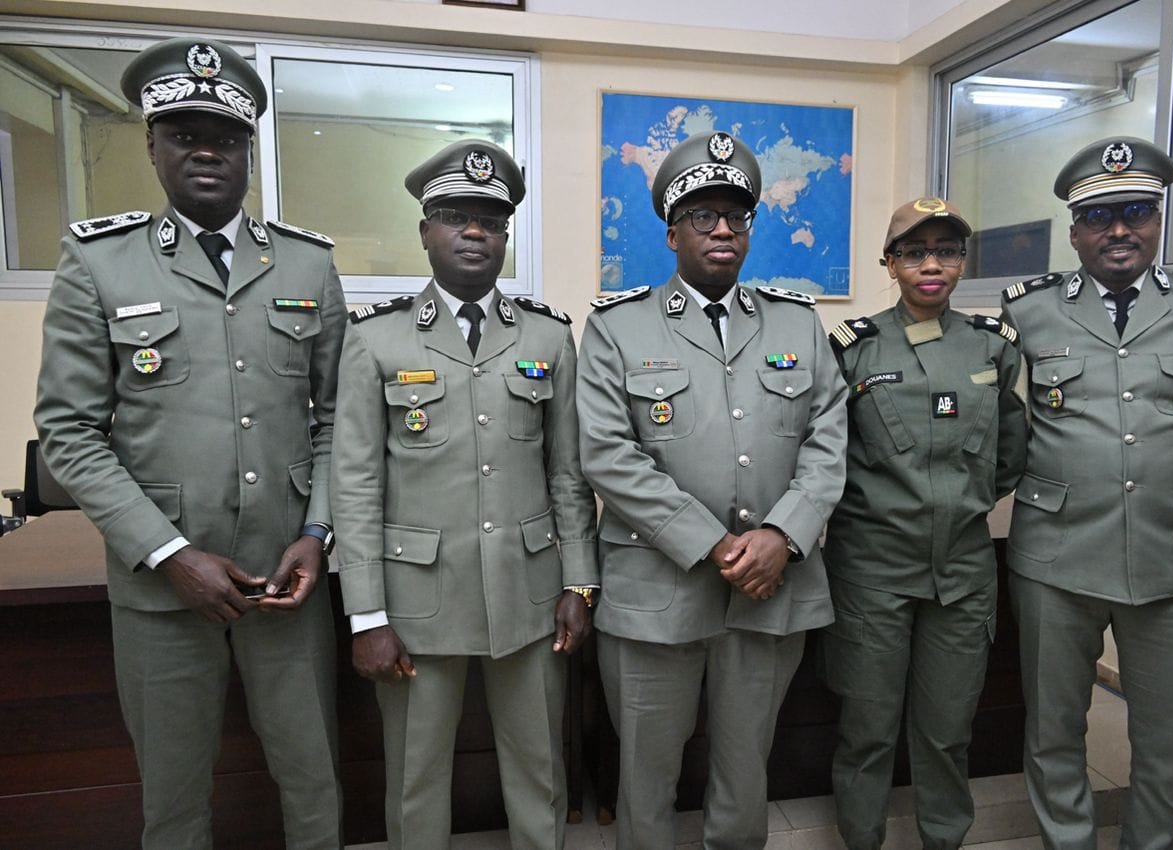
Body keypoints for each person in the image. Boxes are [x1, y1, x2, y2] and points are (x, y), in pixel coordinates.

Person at [34, 37, 346, 848]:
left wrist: (317, 534)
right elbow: (68, 433)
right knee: (172, 802)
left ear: (248, 147)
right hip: (161, 595)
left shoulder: (307, 266)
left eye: (225, 135)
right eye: (183, 132)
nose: (206, 149)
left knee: (312, 784)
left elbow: (339, 420)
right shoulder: (99, 263)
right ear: (151, 142)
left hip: (287, 585)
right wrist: (170, 554)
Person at [575, 130, 849, 850]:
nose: (723, 228)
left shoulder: (798, 323)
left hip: (772, 589)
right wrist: (714, 544)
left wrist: (783, 536)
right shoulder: (615, 327)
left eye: (737, 214)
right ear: (671, 232)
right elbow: (606, 453)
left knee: (744, 773)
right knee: (646, 779)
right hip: (656, 594)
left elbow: (829, 442)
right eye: (703, 215)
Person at [330, 139, 597, 849]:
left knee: (541, 773)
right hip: (417, 601)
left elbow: (567, 473)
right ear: (425, 231)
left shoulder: (547, 336)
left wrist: (581, 580)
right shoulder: (375, 340)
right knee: (416, 781)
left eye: (491, 219)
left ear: (506, 234)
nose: (474, 231)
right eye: (454, 216)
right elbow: (353, 486)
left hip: (530, 593)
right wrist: (365, 617)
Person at [1000, 136, 1173, 850]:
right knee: (1054, 732)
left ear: (1157, 221)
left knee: (1170, 744)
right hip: (1056, 555)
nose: (1120, 229)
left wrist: (1156, 484)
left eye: (1137, 212)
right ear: (1076, 231)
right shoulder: (1031, 312)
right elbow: (1012, 428)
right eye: (1101, 216)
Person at [822, 196, 1026, 850]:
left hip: (962, 576)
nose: (931, 265)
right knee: (868, 729)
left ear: (963, 262)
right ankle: (862, 838)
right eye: (914, 253)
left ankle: (945, 839)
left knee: (947, 732)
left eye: (946, 251)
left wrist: (954, 503)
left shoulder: (993, 348)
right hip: (873, 575)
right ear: (890, 262)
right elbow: (826, 457)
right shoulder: (852, 349)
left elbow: (1011, 454)